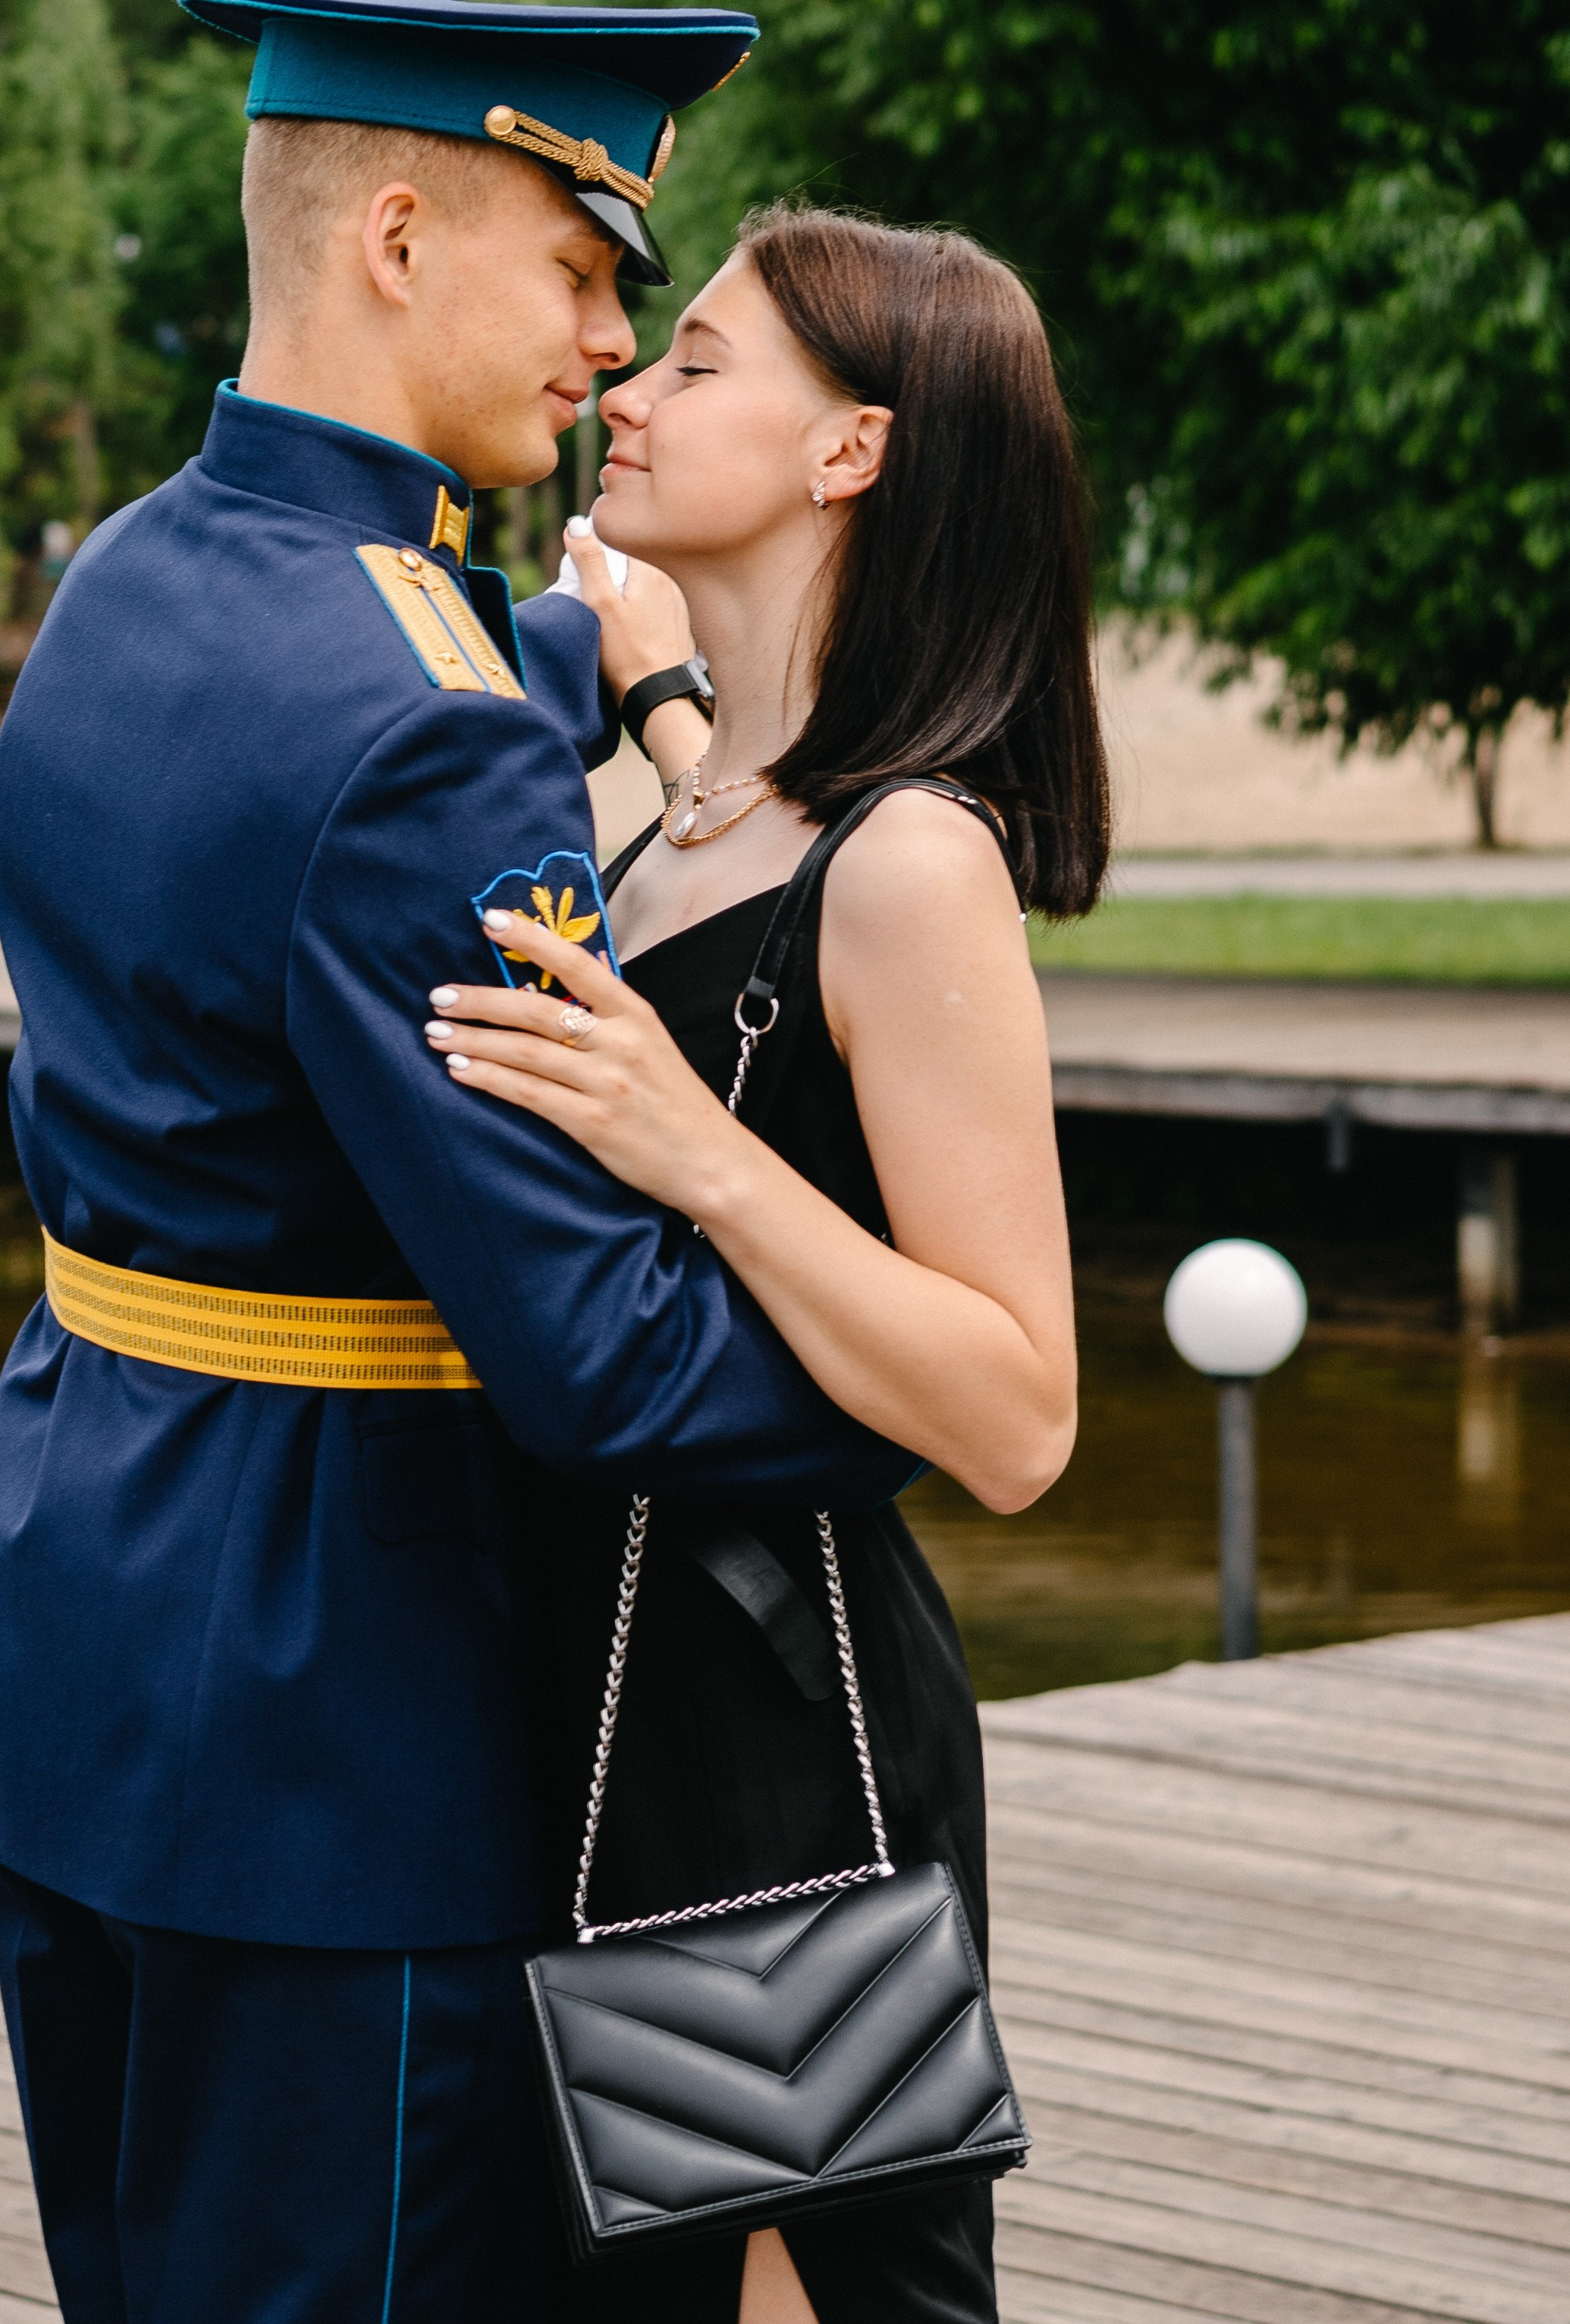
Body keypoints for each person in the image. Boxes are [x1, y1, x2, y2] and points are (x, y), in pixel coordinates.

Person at [0, 0, 921, 2324]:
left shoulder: (127, 581)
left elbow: (303, 766)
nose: (606, 345)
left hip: (84, 1628)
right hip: (336, 1732)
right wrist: (939, 1385)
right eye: (583, 276)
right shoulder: (422, 725)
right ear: (398, 236)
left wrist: (583, 665)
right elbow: (598, 1362)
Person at [419, 204, 1110, 2322]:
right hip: (603, 1684)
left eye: (700, 361)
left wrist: (684, 1151)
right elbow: (719, 811)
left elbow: (1017, 1411)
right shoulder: (696, 807)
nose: (629, 385)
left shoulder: (910, 862)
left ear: (850, 456)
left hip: (768, 1743)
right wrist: (652, 689)